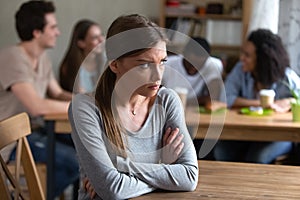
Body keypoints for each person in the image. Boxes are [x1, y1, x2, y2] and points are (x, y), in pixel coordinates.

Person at [69, 14, 198, 199]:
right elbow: (112, 189)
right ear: (115, 64)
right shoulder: (85, 108)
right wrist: (166, 172)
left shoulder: (167, 101)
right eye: (145, 65)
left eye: (162, 62)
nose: (157, 76)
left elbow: (189, 177)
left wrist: (120, 167)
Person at [0, 1, 79, 197]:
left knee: (87, 149)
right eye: (53, 27)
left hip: (35, 132)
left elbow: (57, 92)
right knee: (76, 161)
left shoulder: (41, 57)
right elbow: (36, 106)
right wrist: (80, 106)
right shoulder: (11, 57)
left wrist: (88, 99)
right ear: (37, 32)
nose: (58, 32)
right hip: (11, 142)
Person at [214, 29, 300, 164]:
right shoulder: (240, 70)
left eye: (247, 55)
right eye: (242, 52)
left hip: (278, 136)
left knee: (257, 157)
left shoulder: (287, 78)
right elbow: (226, 99)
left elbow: (298, 99)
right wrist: (261, 104)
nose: (242, 58)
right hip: (245, 133)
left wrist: (289, 102)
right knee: (221, 151)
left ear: (262, 58)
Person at [162, 37, 225, 107]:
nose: (194, 68)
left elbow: (213, 99)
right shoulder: (167, 65)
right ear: (184, 54)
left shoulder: (214, 65)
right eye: (190, 64)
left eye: (199, 65)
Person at [59, 19, 105, 93]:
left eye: (101, 35)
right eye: (95, 37)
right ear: (81, 43)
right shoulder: (71, 66)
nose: (101, 40)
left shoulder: (106, 61)